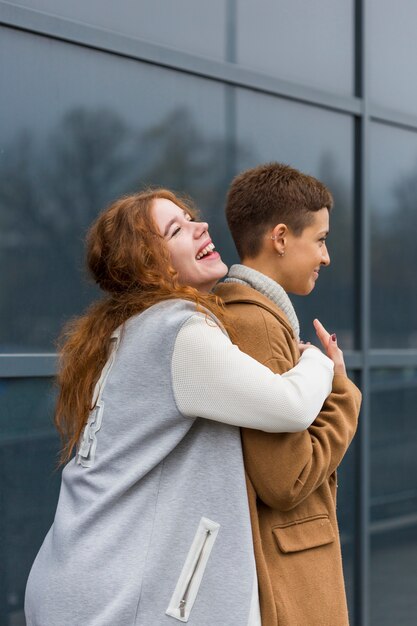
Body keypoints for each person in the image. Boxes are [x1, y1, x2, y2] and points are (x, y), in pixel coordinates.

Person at [24, 188, 342, 626]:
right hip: (113, 601)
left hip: (76, 578)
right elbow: (290, 405)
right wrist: (320, 363)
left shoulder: (131, 329)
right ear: (150, 263)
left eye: (191, 217)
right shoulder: (177, 332)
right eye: (177, 229)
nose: (201, 226)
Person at [215, 163, 362, 626]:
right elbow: (288, 479)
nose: (327, 256)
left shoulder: (259, 317)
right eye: (320, 239)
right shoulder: (255, 323)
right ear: (281, 238)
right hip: (288, 573)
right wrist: (341, 391)